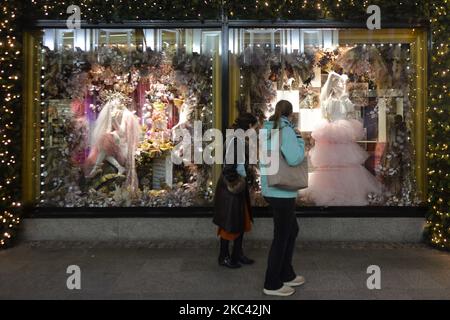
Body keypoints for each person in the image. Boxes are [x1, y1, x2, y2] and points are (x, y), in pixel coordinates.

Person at [259, 100, 306, 297]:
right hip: (283, 191)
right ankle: (272, 282)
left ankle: (287, 273)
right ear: (291, 114)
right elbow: (295, 158)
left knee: (291, 229)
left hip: (271, 188)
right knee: (282, 235)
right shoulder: (286, 130)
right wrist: (301, 141)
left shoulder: (266, 130)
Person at [213, 113, 259, 269]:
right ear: (248, 127)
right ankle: (224, 256)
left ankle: (237, 254)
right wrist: (236, 183)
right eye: (254, 127)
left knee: (241, 221)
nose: (255, 130)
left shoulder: (238, 139)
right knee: (229, 222)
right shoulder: (236, 141)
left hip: (236, 185)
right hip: (231, 188)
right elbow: (228, 169)